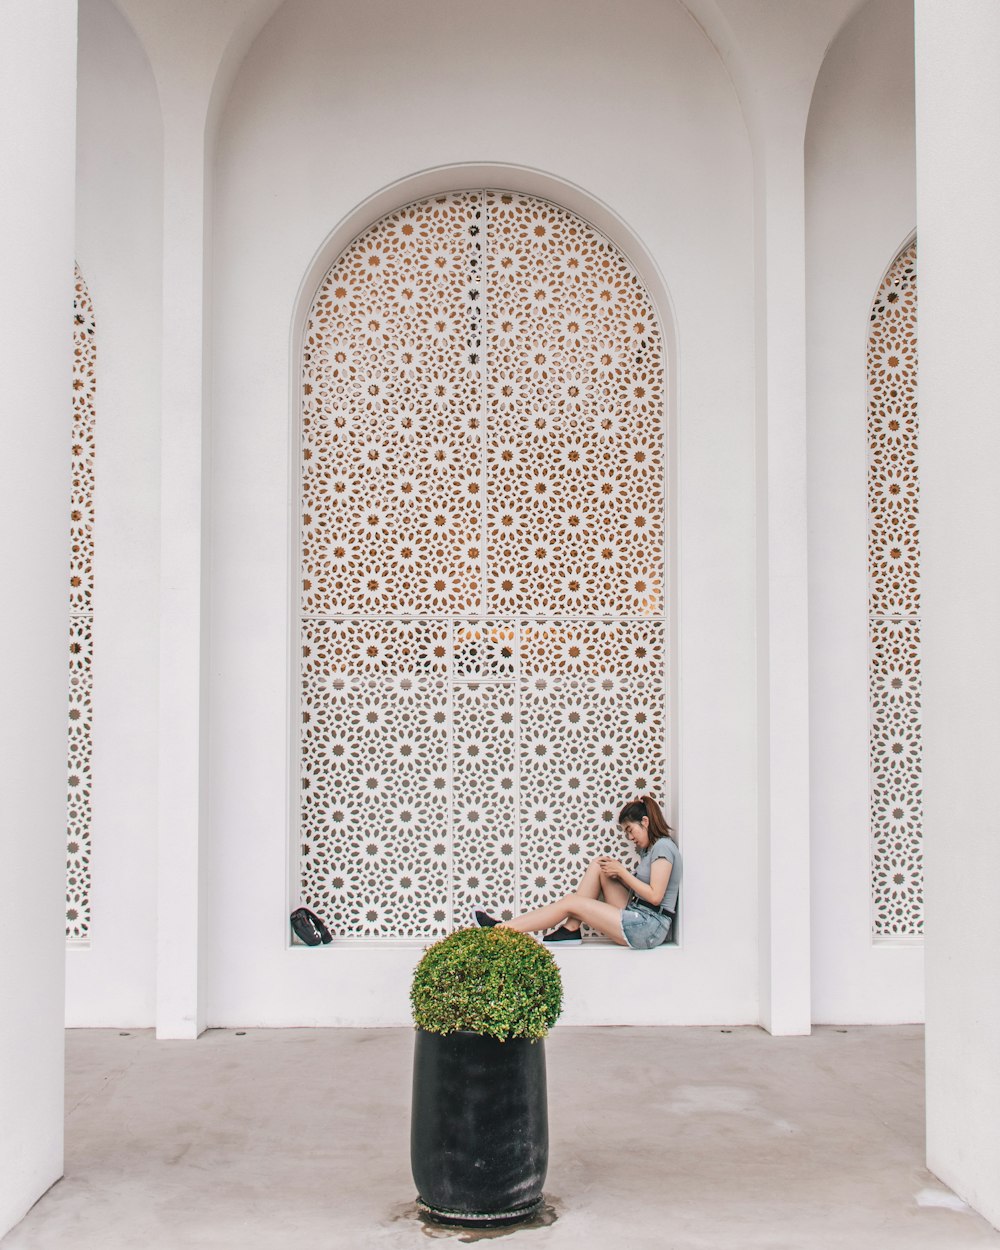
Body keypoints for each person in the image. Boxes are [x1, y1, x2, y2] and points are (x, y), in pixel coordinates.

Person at [474, 795, 681, 949]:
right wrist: (617, 874)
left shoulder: (663, 847)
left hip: (649, 927)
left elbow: (655, 896)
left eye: (630, 830)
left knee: (571, 901)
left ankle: (500, 930)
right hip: (639, 916)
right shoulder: (651, 850)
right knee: (599, 865)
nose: (629, 837)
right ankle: (571, 929)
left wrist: (623, 873)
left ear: (645, 822)